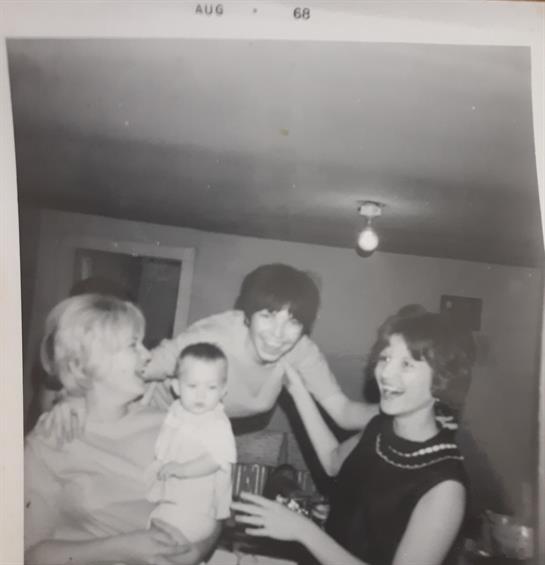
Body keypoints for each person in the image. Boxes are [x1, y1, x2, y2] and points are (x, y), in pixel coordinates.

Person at [232, 311, 475, 565]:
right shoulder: (380, 428)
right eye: (385, 358)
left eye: (406, 364)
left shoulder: (446, 487)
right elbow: (333, 462)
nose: (386, 373)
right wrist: (296, 388)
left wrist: (304, 531)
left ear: (442, 379)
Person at [42, 263, 379, 438]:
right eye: (267, 316)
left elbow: (343, 412)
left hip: (193, 436)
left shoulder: (300, 351)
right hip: (140, 420)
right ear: (247, 314)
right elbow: (134, 367)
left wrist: (399, 410)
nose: (278, 335)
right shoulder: (213, 338)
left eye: (293, 321)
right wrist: (72, 398)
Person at [24, 294, 220, 565]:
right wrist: (123, 548)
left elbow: (214, 506)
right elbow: (27, 555)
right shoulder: (50, 440)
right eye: (133, 345)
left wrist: (199, 549)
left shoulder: (173, 425)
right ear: (85, 362)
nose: (147, 355)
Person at [148, 342, 236, 544]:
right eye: (192, 386)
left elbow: (215, 460)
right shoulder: (176, 410)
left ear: (223, 391)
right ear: (176, 387)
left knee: (167, 539)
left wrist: (182, 469)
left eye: (211, 387)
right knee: (153, 532)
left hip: (197, 506)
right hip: (170, 498)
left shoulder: (217, 422)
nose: (201, 395)